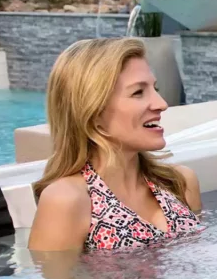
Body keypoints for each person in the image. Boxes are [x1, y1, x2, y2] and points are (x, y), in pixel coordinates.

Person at [28, 38, 203, 252]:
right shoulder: (66, 200)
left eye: (155, 89)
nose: (161, 104)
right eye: (138, 92)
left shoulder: (179, 182)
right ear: (93, 113)